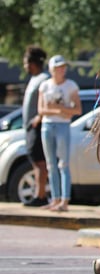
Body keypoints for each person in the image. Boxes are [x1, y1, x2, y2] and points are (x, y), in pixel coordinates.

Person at [37, 55, 81, 212]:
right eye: (58, 67)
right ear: (52, 70)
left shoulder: (71, 85)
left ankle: (64, 201)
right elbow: (41, 110)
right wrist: (62, 110)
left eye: (63, 67)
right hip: (47, 125)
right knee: (51, 165)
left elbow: (77, 109)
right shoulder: (45, 85)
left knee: (64, 164)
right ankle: (54, 199)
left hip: (63, 126)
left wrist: (58, 109)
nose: (62, 70)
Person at [21, 45, 49, 207]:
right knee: (35, 161)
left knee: (40, 162)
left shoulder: (44, 79)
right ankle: (38, 194)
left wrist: (38, 117)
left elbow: (47, 100)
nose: (25, 65)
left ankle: (40, 196)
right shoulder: (34, 78)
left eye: (26, 62)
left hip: (37, 127)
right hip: (29, 127)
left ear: (33, 62)